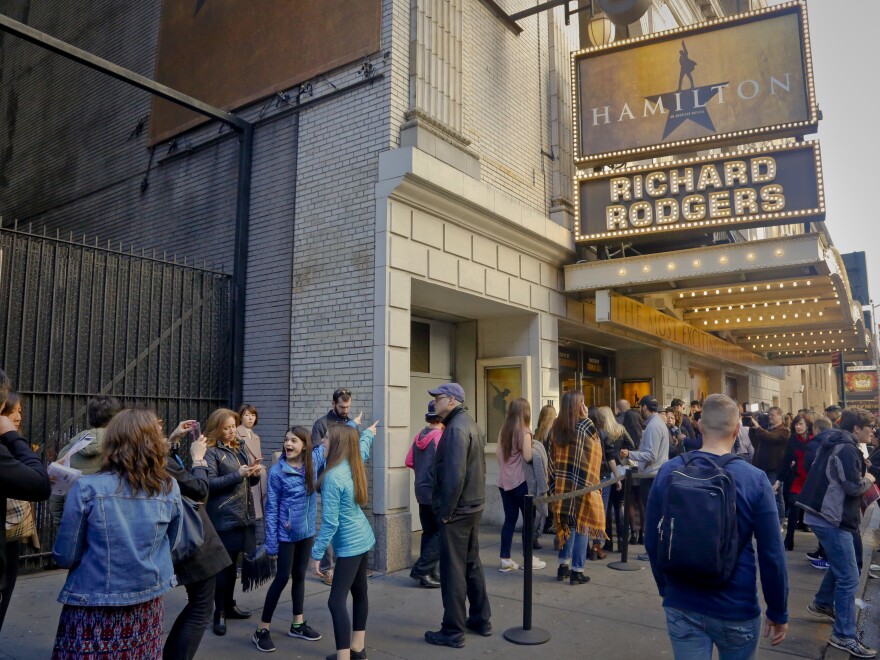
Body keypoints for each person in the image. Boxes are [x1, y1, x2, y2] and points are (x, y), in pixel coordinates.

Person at [645, 394, 789, 659]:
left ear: (700, 426)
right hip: (735, 605)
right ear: (736, 429)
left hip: (682, 601)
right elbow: (772, 554)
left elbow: (653, 539)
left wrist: (666, 588)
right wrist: (778, 610)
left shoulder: (669, 471)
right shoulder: (755, 479)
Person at [51, 408, 182, 657]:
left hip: (94, 600)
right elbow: (172, 542)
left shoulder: (86, 488)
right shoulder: (169, 487)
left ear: (112, 443)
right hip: (147, 600)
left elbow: (65, 555)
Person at [798, 408, 877, 658]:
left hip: (825, 516)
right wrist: (869, 478)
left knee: (841, 566)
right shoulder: (846, 448)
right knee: (849, 576)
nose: (873, 431)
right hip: (832, 518)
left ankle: (822, 603)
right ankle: (844, 635)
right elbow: (853, 487)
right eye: (870, 426)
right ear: (857, 428)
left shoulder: (837, 443)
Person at [424, 383, 492, 649]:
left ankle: (452, 631)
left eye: (438, 398)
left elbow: (454, 475)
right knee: (471, 563)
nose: (435, 402)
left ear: (452, 401)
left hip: (459, 509)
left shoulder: (455, 429)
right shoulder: (469, 423)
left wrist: (446, 512)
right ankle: (480, 619)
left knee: (452, 571)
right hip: (472, 505)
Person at [253, 426, 328, 653]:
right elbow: (272, 508)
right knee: (282, 577)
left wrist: (353, 424)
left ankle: (297, 624)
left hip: (306, 532)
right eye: (286, 440)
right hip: (285, 535)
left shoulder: (312, 462)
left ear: (304, 445)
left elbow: (330, 441)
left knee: (300, 577)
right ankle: (262, 629)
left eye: (294, 440)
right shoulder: (278, 472)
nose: (288, 444)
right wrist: (272, 544)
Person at [310, 421, 378, 660]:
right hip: (362, 538)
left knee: (335, 601)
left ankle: (344, 657)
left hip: (351, 544)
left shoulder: (332, 477)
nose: (322, 441)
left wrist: (316, 554)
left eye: (326, 438)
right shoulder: (352, 463)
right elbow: (363, 449)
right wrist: (368, 433)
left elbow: (330, 523)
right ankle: (357, 650)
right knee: (359, 593)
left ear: (337, 444)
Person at [164, 420, 232, 660]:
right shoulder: (159, 463)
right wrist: (198, 459)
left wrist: (173, 439)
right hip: (192, 538)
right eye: (156, 429)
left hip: (183, 537)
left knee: (199, 604)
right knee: (201, 607)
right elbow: (200, 488)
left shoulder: (139, 458)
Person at [204, 408, 262, 636]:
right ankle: (218, 612)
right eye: (226, 428)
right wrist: (238, 475)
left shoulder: (239, 448)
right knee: (223, 568)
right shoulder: (211, 451)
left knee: (234, 566)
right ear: (216, 428)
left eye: (232, 427)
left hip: (242, 516)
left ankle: (228, 605)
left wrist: (253, 474)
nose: (231, 431)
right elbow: (208, 484)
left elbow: (248, 483)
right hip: (223, 517)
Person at [0, 371, 50, 633]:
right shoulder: (9, 443)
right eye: (12, 411)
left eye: (20, 411)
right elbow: (38, 485)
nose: (17, 417)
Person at [547, 390, 605, 585]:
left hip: (562, 484)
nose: (585, 406)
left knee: (568, 524)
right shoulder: (585, 425)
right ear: (578, 405)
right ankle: (577, 571)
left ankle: (563, 566)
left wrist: (554, 481)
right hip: (583, 483)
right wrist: (587, 418)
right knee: (582, 526)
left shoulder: (557, 426)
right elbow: (597, 450)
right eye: (582, 403)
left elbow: (551, 457)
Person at [311, 388, 361, 586]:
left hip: (348, 479)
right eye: (342, 407)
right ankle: (326, 569)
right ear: (333, 404)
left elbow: (356, 451)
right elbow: (318, 454)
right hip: (330, 479)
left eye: (348, 407)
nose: (345, 410)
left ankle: (344, 566)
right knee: (330, 523)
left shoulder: (351, 424)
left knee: (345, 522)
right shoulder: (321, 424)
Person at [49, 395, 122, 528]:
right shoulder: (125, 449)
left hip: (75, 519)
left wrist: (59, 521)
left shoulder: (68, 450)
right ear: (117, 418)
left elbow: (57, 493)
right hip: (114, 520)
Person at [496, 398, 545, 572]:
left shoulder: (503, 430)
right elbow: (527, 456)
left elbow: (498, 454)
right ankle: (528, 559)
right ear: (526, 412)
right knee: (529, 521)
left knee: (509, 520)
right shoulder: (524, 431)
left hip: (503, 482)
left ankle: (505, 560)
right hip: (520, 482)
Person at [619, 395, 668, 549]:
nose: (640, 410)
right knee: (652, 511)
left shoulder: (653, 426)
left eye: (641, 407)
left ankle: (653, 548)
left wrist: (630, 454)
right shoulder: (657, 423)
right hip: (654, 473)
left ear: (644, 407)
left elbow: (651, 455)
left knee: (651, 512)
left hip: (651, 474)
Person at [406, 402, 444, 588]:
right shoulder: (440, 437)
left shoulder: (419, 435)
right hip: (435, 491)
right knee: (442, 533)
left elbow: (409, 461)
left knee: (428, 531)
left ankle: (428, 573)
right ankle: (422, 569)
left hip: (420, 489)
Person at [774, 414, 813, 551]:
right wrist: (779, 479)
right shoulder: (793, 440)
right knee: (793, 505)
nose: (798, 427)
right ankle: (789, 539)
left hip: (812, 478)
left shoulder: (814, 438)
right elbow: (786, 460)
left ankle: (822, 547)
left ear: (807, 425)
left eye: (801, 424)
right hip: (798, 477)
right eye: (796, 424)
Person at [748, 406, 790, 526]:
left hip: (775, 468)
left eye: (772, 415)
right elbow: (756, 443)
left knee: (776, 495)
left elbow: (771, 438)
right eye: (769, 415)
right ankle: (766, 518)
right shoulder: (766, 429)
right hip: (761, 467)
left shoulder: (784, 430)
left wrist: (758, 428)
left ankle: (779, 521)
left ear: (780, 416)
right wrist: (753, 430)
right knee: (762, 494)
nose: (770, 417)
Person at [596, 406, 628, 553]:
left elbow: (608, 456)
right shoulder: (620, 429)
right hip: (619, 469)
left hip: (606, 471)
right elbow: (631, 444)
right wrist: (622, 455)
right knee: (618, 505)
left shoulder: (600, 432)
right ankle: (621, 541)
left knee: (606, 508)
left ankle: (607, 542)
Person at [237, 404, 268, 522]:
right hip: (246, 475)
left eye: (253, 415)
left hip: (256, 475)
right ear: (241, 417)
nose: (250, 418)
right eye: (247, 415)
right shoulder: (236, 434)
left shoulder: (255, 436)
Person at [534, 404, 557, 535]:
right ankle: (549, 524)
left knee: (541, 499)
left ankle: (539, 527)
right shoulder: (553, 432)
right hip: (550, 470)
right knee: (551, 499)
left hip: (539, 470)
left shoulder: (537, 432)